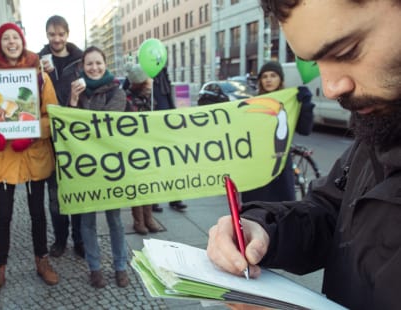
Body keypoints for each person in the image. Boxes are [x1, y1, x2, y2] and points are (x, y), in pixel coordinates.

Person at [207, 1, 401, 309]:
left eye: (348, 51)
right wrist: (264, 228)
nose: (332, 87)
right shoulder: (382, 128)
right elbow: (333, 212)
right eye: (315, 62)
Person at [0, 22, 59, 300]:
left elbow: (52, 114)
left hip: (33, 154)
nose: (11, 42)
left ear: (22, 41)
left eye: (15, 37)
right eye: (5, 38)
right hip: (3, 158)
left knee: (38, 213)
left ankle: (42, 260)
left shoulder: (40, 75)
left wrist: (33, 132)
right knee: (3, 216)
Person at [68, 46, 129, 288]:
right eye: (89, 64)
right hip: (85, 167)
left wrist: (82, 110)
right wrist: (73, 100)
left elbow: (104, 124)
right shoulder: (78, 92)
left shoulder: (117, 92)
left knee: (115, 220)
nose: (94, 68)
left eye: (98, 63)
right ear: (83, 67)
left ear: (106, 64)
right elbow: (69, 127)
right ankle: (95, 268)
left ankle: (120, 266)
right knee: (87, 221)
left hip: (109, 166)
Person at [37, 15, 84, 259]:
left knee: (76, 189)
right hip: (51, 137)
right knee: (55, 193)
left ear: (67, 34)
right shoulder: (38, 60)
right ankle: (60, 239)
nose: (56, 39)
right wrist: (40, 77)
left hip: (76, 136)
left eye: (60, 34)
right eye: (52, 34)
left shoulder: (79, 59)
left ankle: (79, 238)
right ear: (47, 35)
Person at [241, 61, 314, 203]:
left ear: (281, 79)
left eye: (273, 75)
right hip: (256, 167)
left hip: (280, 167)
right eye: (264, 76)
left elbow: (305, 130)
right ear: (260, 81)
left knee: (283, 211)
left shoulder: (290, 103)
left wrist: (306, 105)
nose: (268, 79)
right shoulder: (253, 103)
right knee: (256, 210)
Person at [124, 64, 162, 235]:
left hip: (148, 147)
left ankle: (149, 217)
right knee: (136, 184)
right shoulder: (127, 100)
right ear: (139, 82)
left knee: (149, 183)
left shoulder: (149, 99)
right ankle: (138, 220)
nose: (150, 83)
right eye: (147, 81)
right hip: (133, 149)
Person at [151, 66, 188, 212]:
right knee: (154, 166)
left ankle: (175, 198)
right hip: (152, 131)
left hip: (167, 128)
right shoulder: (144, 78)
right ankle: (152, 200)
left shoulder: (163, 79)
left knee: (171, 164)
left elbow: (169, 102)